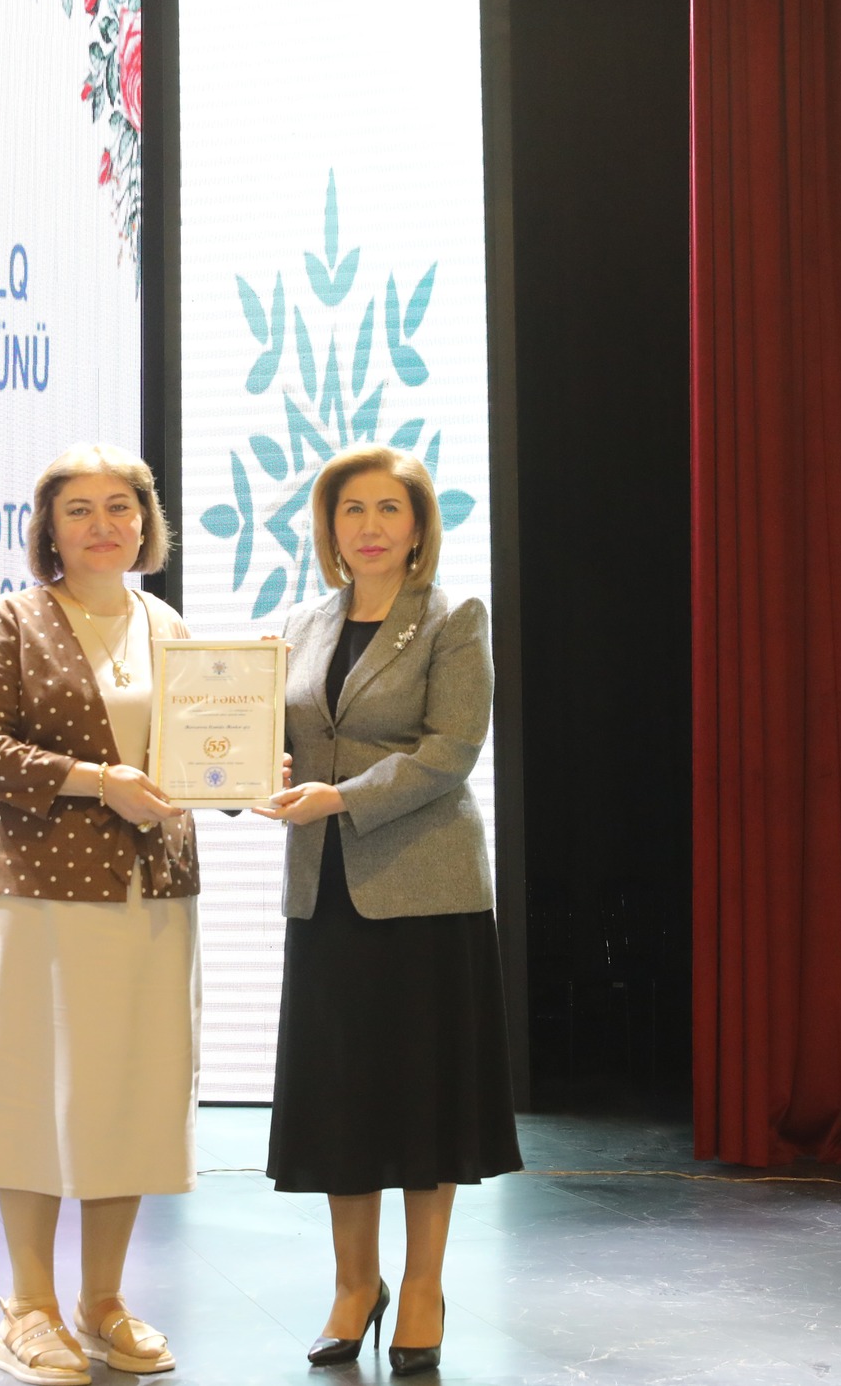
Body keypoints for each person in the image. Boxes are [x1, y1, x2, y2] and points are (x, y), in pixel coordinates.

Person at [253, 444, 521, 1377]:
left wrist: (339, 797)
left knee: (422, 1098)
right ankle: (352, 1284)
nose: (368, 527)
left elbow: (452, 749)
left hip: (424, 890)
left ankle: (422, 1289)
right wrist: (253, 774)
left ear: (418, 528)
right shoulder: (302, 623)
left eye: (388, 510)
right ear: (329, 527)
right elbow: (278, 739)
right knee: (342, 1098)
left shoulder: (453, 617)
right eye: (351, 510)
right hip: (324, 890)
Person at [0, 443, 199, 1385]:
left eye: (120, 507)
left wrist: (244, 771)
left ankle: (102, 1302)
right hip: (43, 898)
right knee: (33, 1092)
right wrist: (98, 781)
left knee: (130, 1092)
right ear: (49, 530)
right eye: (80, 510)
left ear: (145, 523)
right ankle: (29, 1307)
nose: (104, 525)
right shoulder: (11, 620)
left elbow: (197, 751)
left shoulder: (168, 624)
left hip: (152, 894)